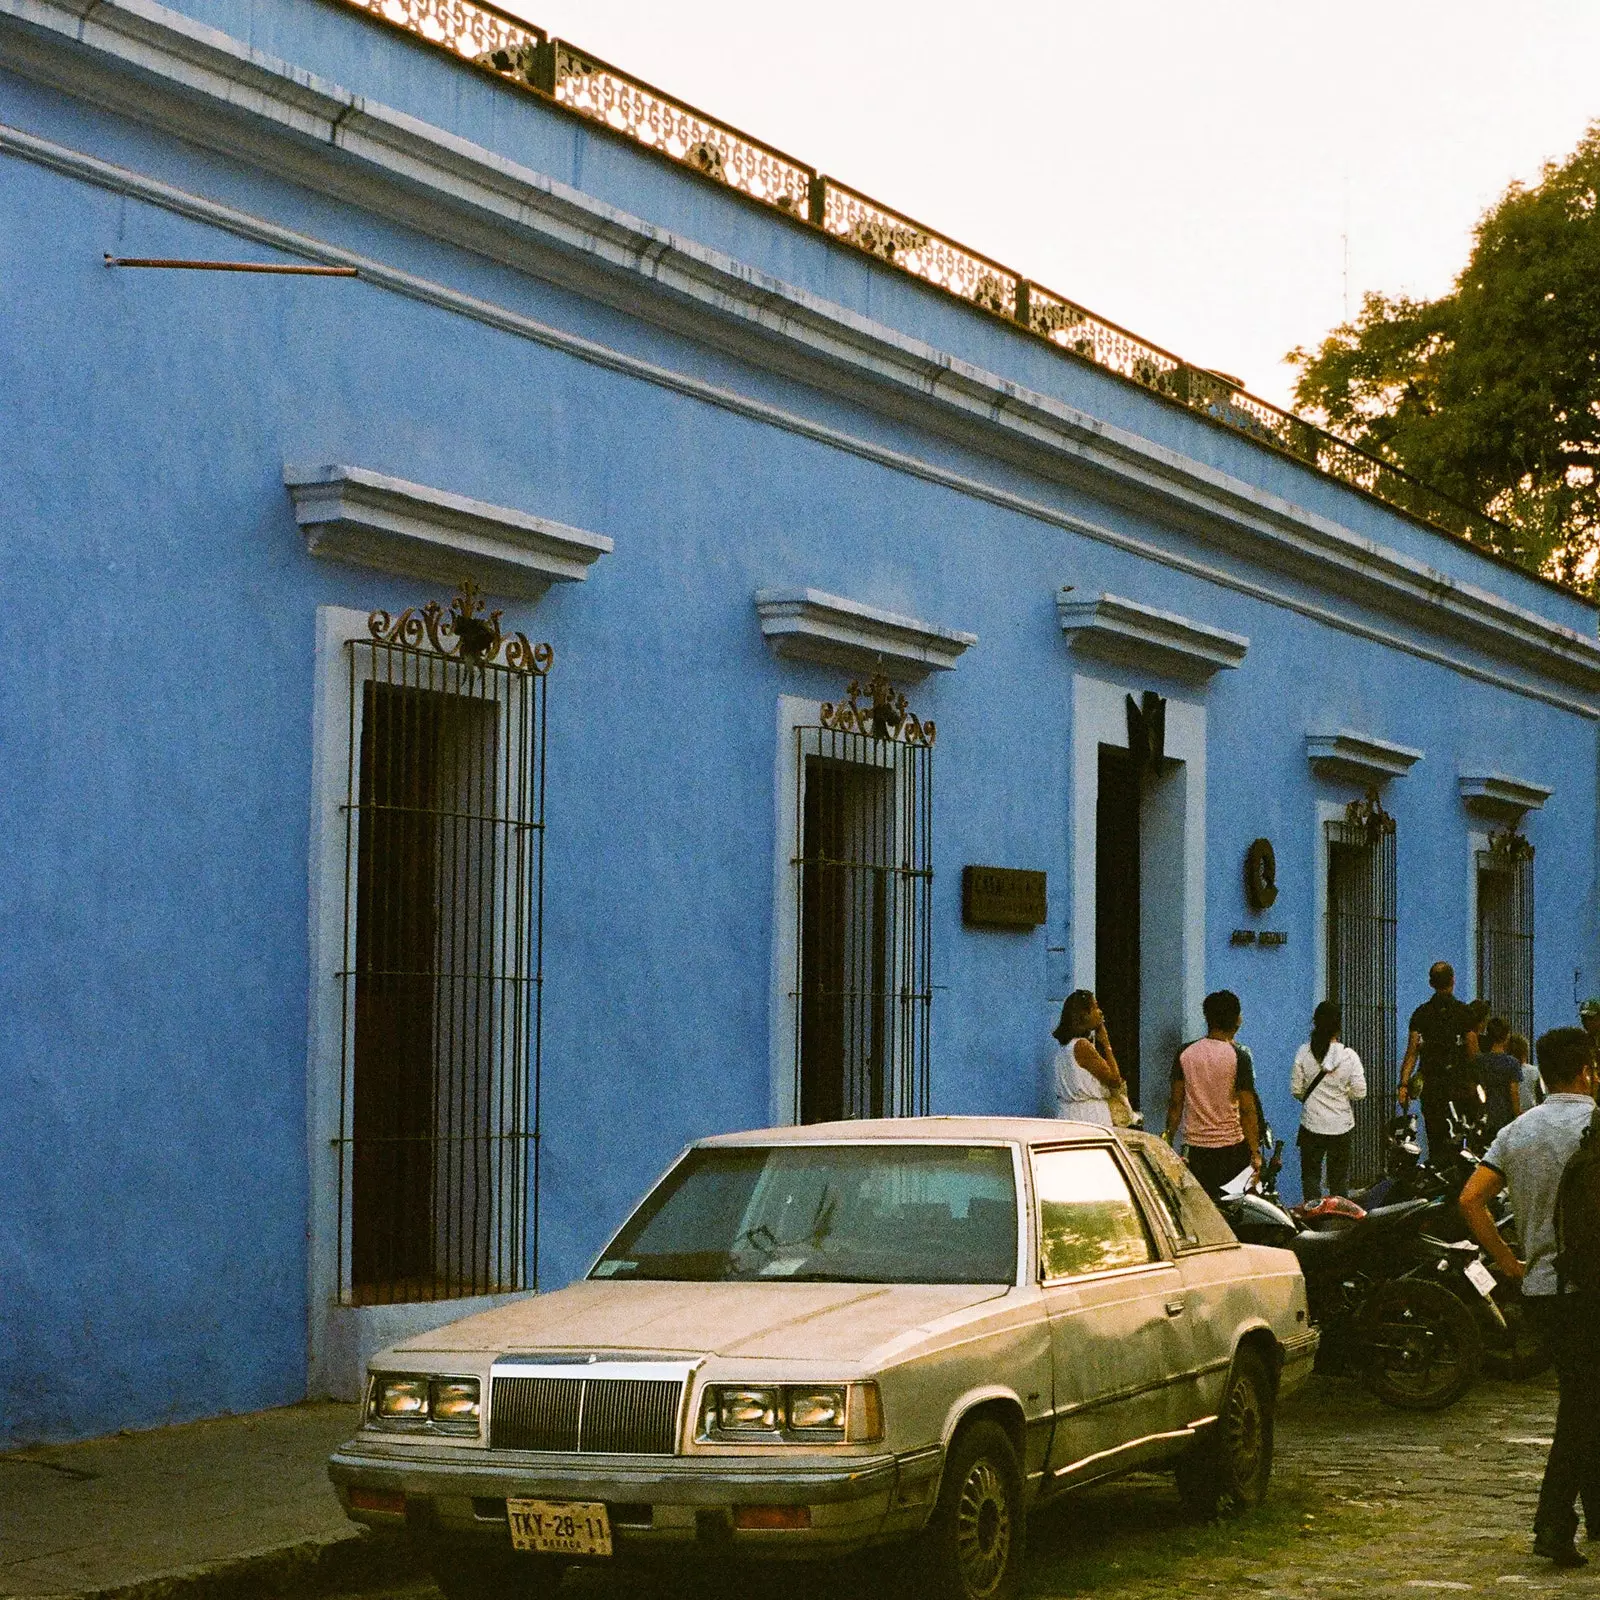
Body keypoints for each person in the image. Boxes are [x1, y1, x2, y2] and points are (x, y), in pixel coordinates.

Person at [1459, 1027, 1600, 1568]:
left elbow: (1471, 1200)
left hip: (1544, 1287)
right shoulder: (1596, 1125)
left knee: (1583, 1395)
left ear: (1542, 1071)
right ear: (1587, 1068)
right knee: (1582, 1406)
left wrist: (1510, 1263)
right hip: (1592, 1288)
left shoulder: (1519, 1131)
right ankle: (1553, 1522)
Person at [1164, 990, 1261, 1199]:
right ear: (1236, 1020)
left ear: (1207, 1018)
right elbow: (1247, 1109)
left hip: (1195, 1151)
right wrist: (1255, 1152)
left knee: (1201, 1212)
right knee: (1235, 1213)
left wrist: (1168, 1138)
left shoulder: (1185, 1053)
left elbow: (1175, 1103)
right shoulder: (1239, 1056)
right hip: (1233, 1150)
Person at [1398, 961, 1479, 1161]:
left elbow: (1411, 1053)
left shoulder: (1421, 1014)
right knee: (1458, 1137)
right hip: (1457, 1086)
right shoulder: (1464, 1013)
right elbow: (1474, 1053)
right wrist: (1475, 1083)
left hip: (1432, 1087)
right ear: (1453, 980)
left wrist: (1403, 1085)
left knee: (1435, 1138)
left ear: (1431, 983)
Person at [1290, 1001, 1366, 1200]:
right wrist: (1342, 1092)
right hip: (1342, 1126)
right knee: (1339, 1180)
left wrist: (1313, 1097)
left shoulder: (1304, 1052)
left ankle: (1313, 1221)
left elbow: (1296, 1090)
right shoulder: (1349, 1056)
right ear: (1339, 1026)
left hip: (1311, 1125)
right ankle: (1338, 1222)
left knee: (1311, 1177)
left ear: (1315, 1023)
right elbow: (1360, 1093)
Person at [1051, 990, 1125, 1127]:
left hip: (1068, 1114)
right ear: (1084, 1014)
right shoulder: (1082, 1046)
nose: (1100, 1012)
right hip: (1089, 1116)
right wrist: (1106, 1043)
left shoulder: (1065, 1048)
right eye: (1095, 1007)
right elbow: (1115, 1080)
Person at [1474, 1015, 1523, 1137]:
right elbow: (1514, 1091)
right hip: (1505, 1114)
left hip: (1484, 1112)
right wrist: (1518, 1114)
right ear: (1506, 1037)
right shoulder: (1512, 1063)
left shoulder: (1480, 1060)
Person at [1510, 1032, 1541, 1110]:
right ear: (1525, 1052)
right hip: (1530, 1111)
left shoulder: (1504, 1071)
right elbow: (1540, 1095)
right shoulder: (1535, 1071)